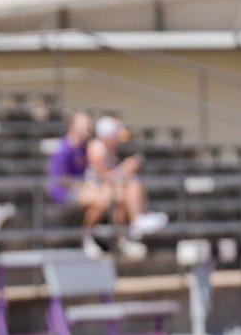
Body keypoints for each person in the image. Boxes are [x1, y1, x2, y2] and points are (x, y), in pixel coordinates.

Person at [86, 115, 167, 259]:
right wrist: (124, 169)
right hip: (93, 188)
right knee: (123, 191)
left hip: (109, 187)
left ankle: (128, 232)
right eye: (115, 135)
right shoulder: (96, 147)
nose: (118, 139)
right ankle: (88, 238)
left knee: (130, 189)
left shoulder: (111, 149)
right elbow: (102, 176)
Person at [48, 111, 113, 257]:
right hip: (63, 193)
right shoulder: (63, 149)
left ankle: (113, 239)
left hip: (82, 190)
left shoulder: (83, 149)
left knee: (108, 196)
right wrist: (85, 186)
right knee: (100, 201)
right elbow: (62, 180)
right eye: (84, 127)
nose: (88, 130)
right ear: (73, 127)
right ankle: (85, 238)